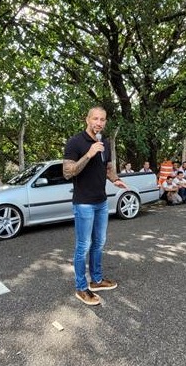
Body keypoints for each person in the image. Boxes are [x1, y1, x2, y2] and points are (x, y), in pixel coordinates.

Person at [63, 106, 127, 306]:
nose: (99, 123)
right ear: (87, 119)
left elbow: (107, 167)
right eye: (95, 119)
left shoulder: (105, 142)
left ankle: (97, 280)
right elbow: (68, 172)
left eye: (103, 119)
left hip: (101, 201)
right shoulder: (75, 142)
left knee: (99, 243)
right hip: (83, 203)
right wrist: (89, 154)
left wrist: (115, 179)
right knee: (83, 246)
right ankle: (81, 288)